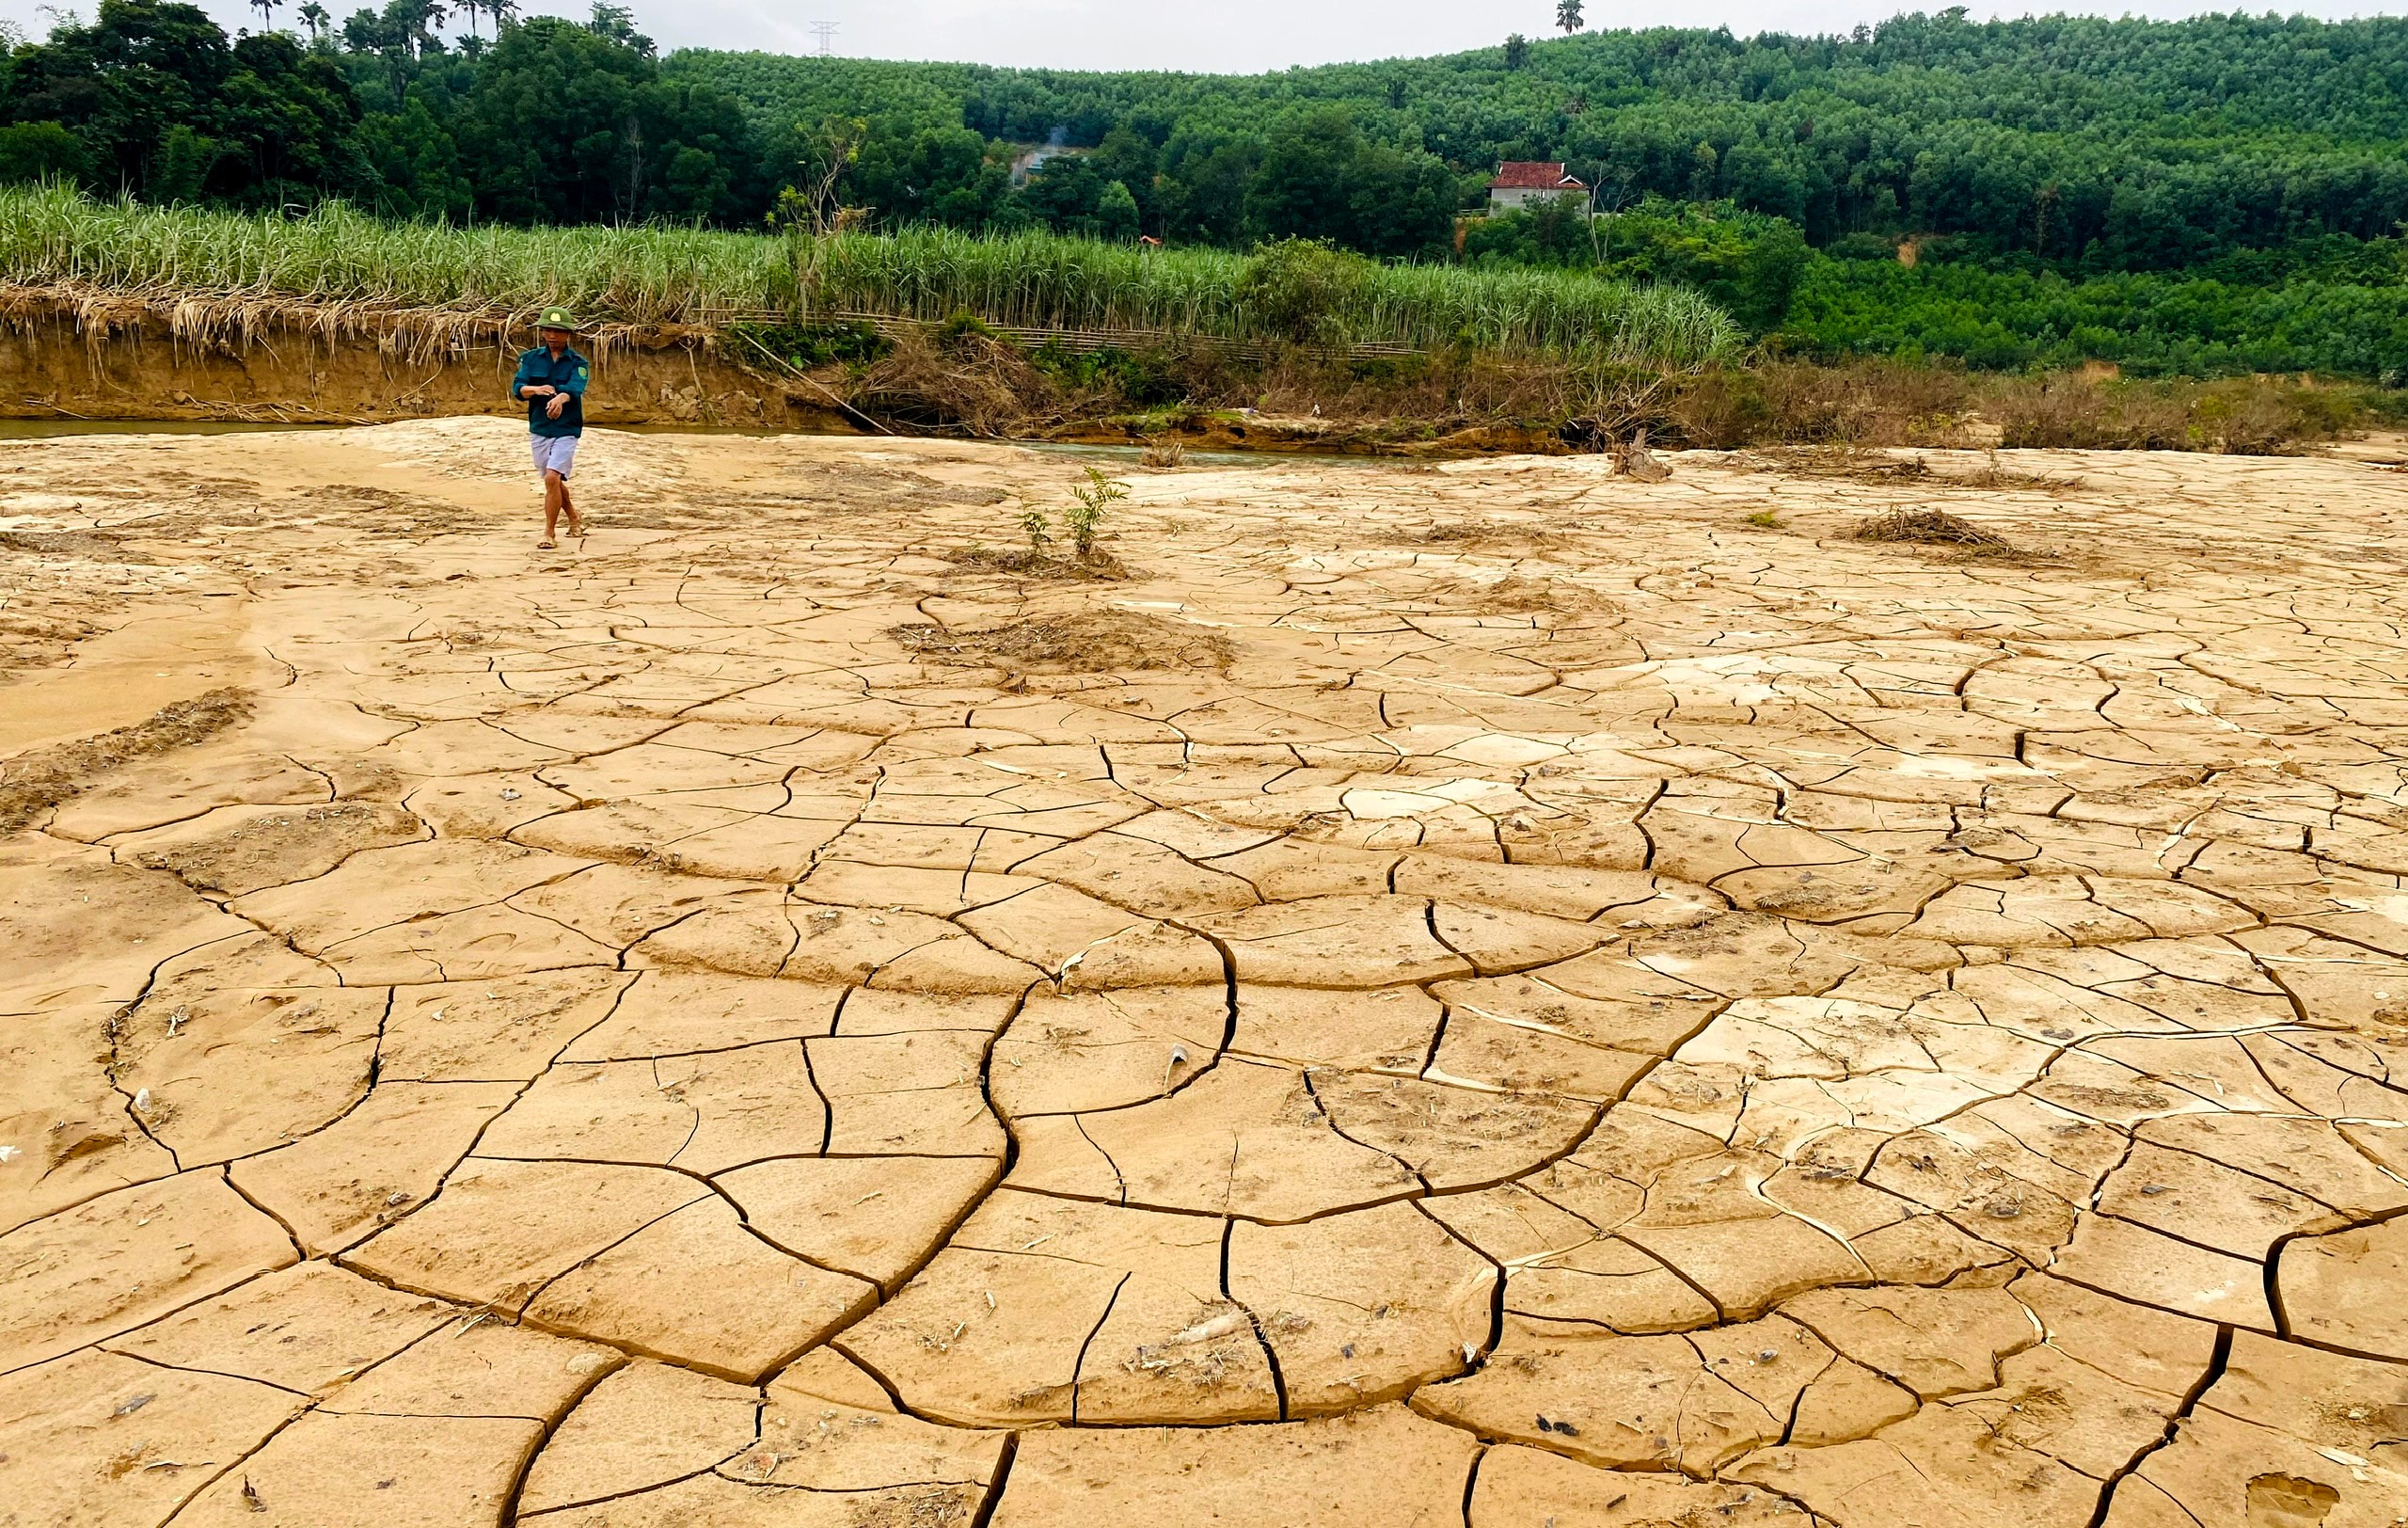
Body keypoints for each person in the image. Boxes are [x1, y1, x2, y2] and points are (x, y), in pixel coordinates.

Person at [511, 306, 590, 549]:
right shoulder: (530, 358)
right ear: (542, 333)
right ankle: (574, 517)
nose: (552, 336)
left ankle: (549, 533)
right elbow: (518, 388)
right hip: (539, 427)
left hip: (567, 427)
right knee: (551, 480)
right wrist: (536, 390)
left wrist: (560, 398)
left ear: (568, 334)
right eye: (548, 331)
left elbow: (577, 388)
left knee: (552, 478)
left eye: (558, 331)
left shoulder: (579, 362)